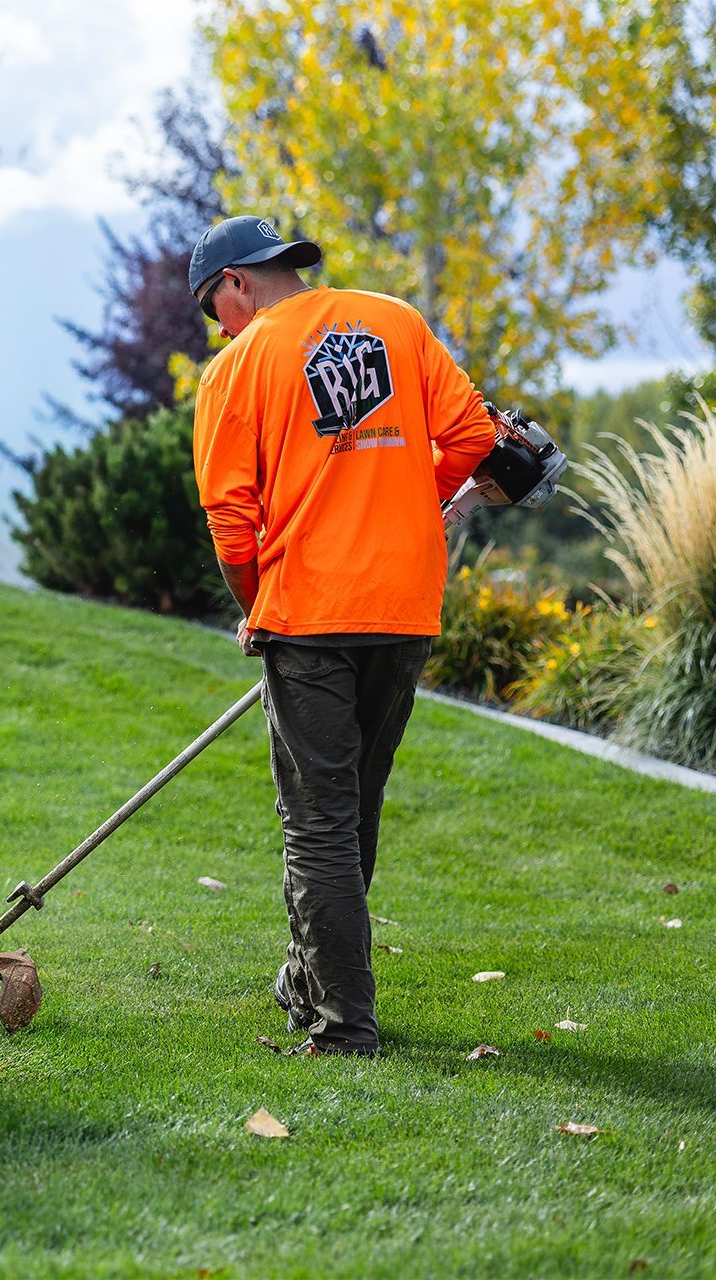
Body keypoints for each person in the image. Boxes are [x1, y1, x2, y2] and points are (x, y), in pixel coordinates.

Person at [187, 215, 495, 1056]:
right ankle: (306, 980)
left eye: (214, 305)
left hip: (312, 611)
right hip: (403, 606)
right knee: (353, 804)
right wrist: (402, 490)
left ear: (238, 283)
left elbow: (229, 521)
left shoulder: (238, 366)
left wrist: (255, 602)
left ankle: (344, 1025)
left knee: (318, 821)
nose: (218, 325)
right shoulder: (396, 320)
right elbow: (474, 441)